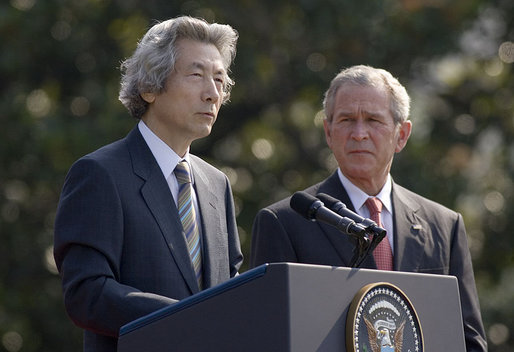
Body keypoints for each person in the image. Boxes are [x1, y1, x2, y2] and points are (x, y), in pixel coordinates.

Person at [250, 65, 487, 351]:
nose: (359, 133)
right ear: (328, 132)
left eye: (373, 120)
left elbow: (469, 341)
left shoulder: (444, 226)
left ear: (402, 135)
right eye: (347, 119)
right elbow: (268, 339)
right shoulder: (286, 222)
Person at [53, 16, 243, 351]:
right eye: (197, 75)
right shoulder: (100, 174)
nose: (213, 93)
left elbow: (233, 290)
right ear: (149, 88)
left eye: (219, 79)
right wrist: (186, 316)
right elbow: (87, 293)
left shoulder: (217, 184)